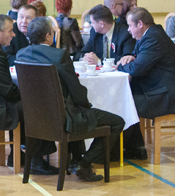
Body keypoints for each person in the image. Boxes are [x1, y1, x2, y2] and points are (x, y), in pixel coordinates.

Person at [16, 17, 125, 182]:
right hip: (63, 118)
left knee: (77, 109)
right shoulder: (59, 55)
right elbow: (75, 88)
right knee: (117, 122)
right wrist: (85, 104)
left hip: (35, 118)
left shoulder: (21, 54)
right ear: (48, 36)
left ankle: (77, 159)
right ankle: (84, 163)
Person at [0, 15, 57, 175]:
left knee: (28, 104)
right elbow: (8, 90)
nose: (13, 35)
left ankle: (18, 154)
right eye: (10, 31)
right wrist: (31, 97)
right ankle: (36, 159)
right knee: (36, 106)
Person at [118, 7, 175, 121]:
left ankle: (132, 133)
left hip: (170, 95)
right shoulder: (151, 33)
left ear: (140, 24)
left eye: (130, 25)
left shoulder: (153, 37)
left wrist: (120, 65)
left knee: (124, 101)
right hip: (162, 87)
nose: (128, 29)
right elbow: (138, 56)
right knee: (126, 95)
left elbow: (136, 69)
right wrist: (131, 57)